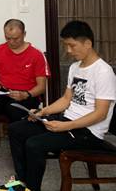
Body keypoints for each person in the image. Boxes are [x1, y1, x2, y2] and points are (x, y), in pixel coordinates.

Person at [8, 21, 116, 191]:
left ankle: (31, 188)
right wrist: (42, 111)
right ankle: (22, 182)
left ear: (88, 43)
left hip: (88, 132)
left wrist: (66, 126)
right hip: (67, 120)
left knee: (34, 144)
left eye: (72, 45)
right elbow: (66, 99)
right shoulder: (75, 67)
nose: (68, 50)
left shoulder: (103, 72)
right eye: (66, 46)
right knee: (16, 129)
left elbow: (100, 114)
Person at [0, 19, 50, 170]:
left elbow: (41, 87)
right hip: (3, 92)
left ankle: (20, 155)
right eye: (8, 38)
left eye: (15, 38)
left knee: (14, 110)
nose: (11, 42)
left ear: (24, 34)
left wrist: (26, 94)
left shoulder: (36, 54)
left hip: (26, 95)